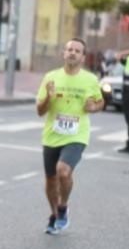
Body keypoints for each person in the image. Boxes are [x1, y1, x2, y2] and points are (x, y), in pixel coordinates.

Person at [36, 37, 104, 235]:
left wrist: (94, 107)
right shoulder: (50, 77)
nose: (72, 53)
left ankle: (63, 206)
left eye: (77, 50)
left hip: (77, 134)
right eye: (69, 49)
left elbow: (100, 103)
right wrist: (48, 97)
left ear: (83, 57)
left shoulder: (90, 80)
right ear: (64, 53)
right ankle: (54, 214)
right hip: (52, 135)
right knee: (50, 179)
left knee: (63, 171)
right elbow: (40, 111)